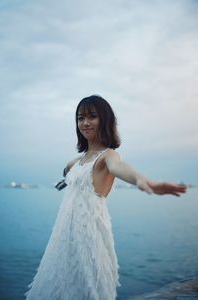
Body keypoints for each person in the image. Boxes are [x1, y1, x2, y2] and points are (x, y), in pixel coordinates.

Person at [25, 95, 186, 300]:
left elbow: (119, 168)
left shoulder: (108, 156)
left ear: (105, 120)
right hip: (64, 235)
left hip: (89, 236)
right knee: (58, 282)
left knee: (87, 286)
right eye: (80, 117)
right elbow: (69, 175)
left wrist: (145, 181)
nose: (85, 122)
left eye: (92, 116)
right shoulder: (74, 162)